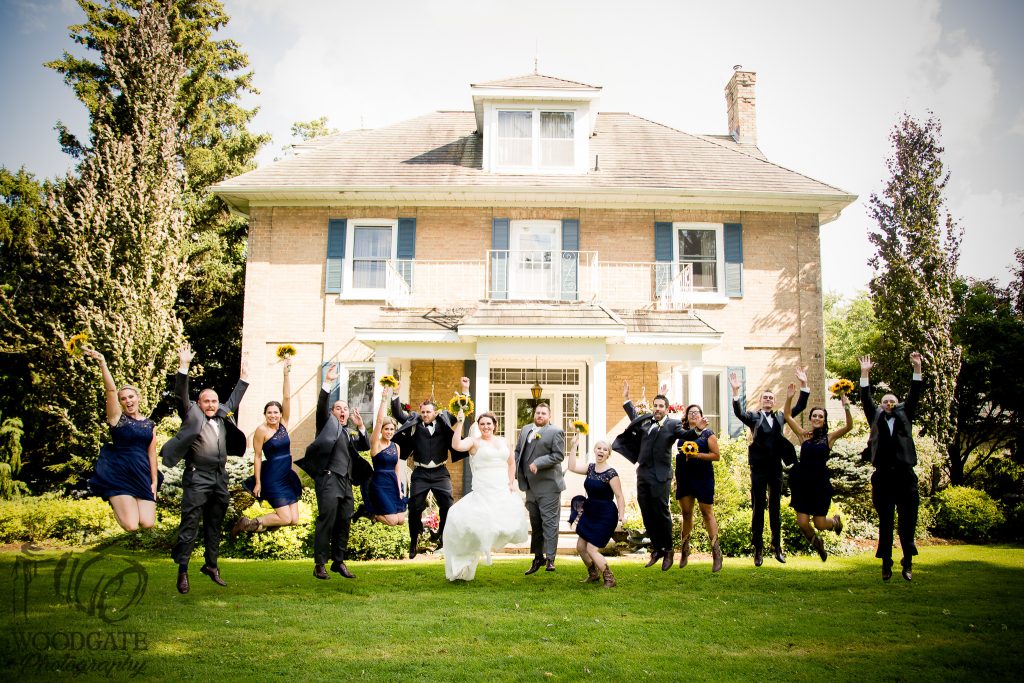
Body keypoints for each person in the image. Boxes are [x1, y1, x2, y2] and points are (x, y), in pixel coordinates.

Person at [161, 343, 248, 594]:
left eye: (213, 400)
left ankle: (211, 566)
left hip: (220, 478)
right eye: (206, 401)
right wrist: (184, 366)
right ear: (198, 403)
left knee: (214, 524)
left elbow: (234, 399)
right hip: (197, 477)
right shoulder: (192, 415)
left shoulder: (222, 415)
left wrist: (244, 378)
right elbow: (180, 395)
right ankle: (183, 570)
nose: (210, 404)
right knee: (190, 524)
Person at [613, 381, 700, 571]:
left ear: (667, 409)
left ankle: (668, 550)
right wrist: (627, 399)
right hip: (643, 473)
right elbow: (634, 416)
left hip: (661, 475)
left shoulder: (673, 424)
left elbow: (688, 435)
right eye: (656, 405)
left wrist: (697, 428)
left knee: (661, 512)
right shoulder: (646, 423)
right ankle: (657, 548)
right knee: (646, 512)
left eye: (661, 406)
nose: (657, 409)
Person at [295, 362, 369, 581]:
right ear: (332, 413)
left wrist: (362, 427)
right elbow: (321, 406)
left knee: (345, 519)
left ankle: (339, 561)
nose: (343, 411)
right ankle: (319, 564)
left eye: (345, 409)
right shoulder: (326, 425)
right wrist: (327, 383)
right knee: (326, 519)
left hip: (346, 482)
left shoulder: (348, 434)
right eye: (339, 408)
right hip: (328, 479)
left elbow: (364, 446)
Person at [730, 368, 809, 566]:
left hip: (775, 467)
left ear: (774, 401)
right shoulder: (754, 417)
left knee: (775, 507)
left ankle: (777, 546)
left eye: (770, 398)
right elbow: (738, 412)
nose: (767, 400)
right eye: (765, 397)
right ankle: (758, 548)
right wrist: (735, 391)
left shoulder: (782, 417)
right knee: (758, 507)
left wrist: (804, 386)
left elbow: (799, 406)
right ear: (761, 401)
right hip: (758, 468)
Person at [860, 352, 923, 581]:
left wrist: (917, 368)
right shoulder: (875, 416)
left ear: (897, 404)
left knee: (908, 521)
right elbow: (866, 398)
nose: (888, 403)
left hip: (906, 477)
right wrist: (865, 373)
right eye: (885, 401)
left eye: (892, 401)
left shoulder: (905, 413)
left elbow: (915, 392)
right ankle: (886, 562)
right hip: (883, 478)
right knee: (885, 522)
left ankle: (908, 561)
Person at [444, 411, 529, 581]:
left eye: (489, 423)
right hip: (483, 489)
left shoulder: (503, 441)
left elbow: (511, 463)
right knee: (470, 525)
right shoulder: (474, 442)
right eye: (482, 424)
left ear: (495, 425)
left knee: (504, 525)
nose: (485, 427)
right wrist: (460, 422)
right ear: (478, 426)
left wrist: (511, 482)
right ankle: (463, 559)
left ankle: (484, 545)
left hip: (502, 488)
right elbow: (456, 446)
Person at [82, 347, 160, 532]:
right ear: (121, 402)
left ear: (138, 398)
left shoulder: (150, 424)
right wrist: (102, 363)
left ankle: (123, 502)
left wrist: (154, 481)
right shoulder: (117, 419)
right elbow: (110, 389)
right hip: (120, 473)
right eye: (123, 399)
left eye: (131, 396)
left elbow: (152, 454)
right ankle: (113, 496)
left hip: (142, 472)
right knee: (132, 526)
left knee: (147, 523)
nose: (128, 401)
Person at [391, 378, 470, 558]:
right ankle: (414, 540)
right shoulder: (414, 421)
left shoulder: (444, 419)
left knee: (448, 505)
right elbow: (397, 414)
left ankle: (442, 535)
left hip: (440, 471)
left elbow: (461, 408)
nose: (425, 414)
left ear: (435, 412)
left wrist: (465, 390)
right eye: (423, 411)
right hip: (420, 472)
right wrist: (395, 393)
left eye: (428, 412)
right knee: (415, 507)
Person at [781, 377, 853, 562]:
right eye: (815, 416)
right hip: (803, 483)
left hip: (819, 484)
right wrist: (789, 397)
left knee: (820, 523)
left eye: (821, 416)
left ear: (824, 419)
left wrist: (846, 407)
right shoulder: (804, 435)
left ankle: (835, 522)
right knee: (802, 522)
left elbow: (849, 426)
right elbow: (788, 416)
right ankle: (817, 544)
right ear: (811, 418)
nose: (817, 418)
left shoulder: (829, 438)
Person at [233, 356, 302, 537]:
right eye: (269, 413)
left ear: (280, 414)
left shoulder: (284, 425)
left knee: (294, 519)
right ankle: (248, 523)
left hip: (287, 475)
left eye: (276, 412)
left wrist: (286, 372)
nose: (273, 415)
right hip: (272, 476)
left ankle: (254, 525)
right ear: (265, 414)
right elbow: (257, 456)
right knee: (285, 518)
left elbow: (287, 397)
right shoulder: (261, 431)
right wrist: (258, 482)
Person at [513, 402, 566, 574]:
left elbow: (558, 455)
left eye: (544, 413)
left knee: (549, 522)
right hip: (530, 486)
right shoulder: (526, 429)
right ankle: (538, 558)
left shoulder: (555, 432)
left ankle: (550, 558)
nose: (540, 415)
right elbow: (518, 451)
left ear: (549, 416)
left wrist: (538, 462)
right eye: (538, 413)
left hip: (549, 485)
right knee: (536, 524)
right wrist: (515, 468)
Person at [566, 435, 624, 587]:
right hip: (590, 511)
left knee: (592, 549)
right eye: (599, 448)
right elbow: (572, 467)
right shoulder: (590, 468)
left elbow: (619, 495)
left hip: (605, 514)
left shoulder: (611, 473)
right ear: (594, 450)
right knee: (580, 547)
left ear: (608, 454)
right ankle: (593, 574)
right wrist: (573, 447)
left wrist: (622, 516)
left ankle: (609, 578)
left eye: (605, 449)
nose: (601, 451)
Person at [675, 404, 723, 573]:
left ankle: (716, 553)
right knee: (686, 513)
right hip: (684, 477)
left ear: (702, 416)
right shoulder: (682, 433)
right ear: (687, 416)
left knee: (706, 512)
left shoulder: (708, 434)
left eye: (697, 413)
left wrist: (698, 455)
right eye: (690, 413)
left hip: (703, 477)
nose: (693, 415)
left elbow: (716, 456)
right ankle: (684, 550)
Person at [356, 385, 407, 526]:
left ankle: (376, 511)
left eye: (392, 429)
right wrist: (384, 399)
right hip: (379, 484)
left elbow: (397, 470)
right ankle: (369, 512)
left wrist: (400, 489)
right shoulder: (375, 444)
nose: (389, 432)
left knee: (401, 520)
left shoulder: (396, 446)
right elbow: (379, 421)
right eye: (386, 429)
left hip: (393, 482)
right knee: (391, 521)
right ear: (382, 430)